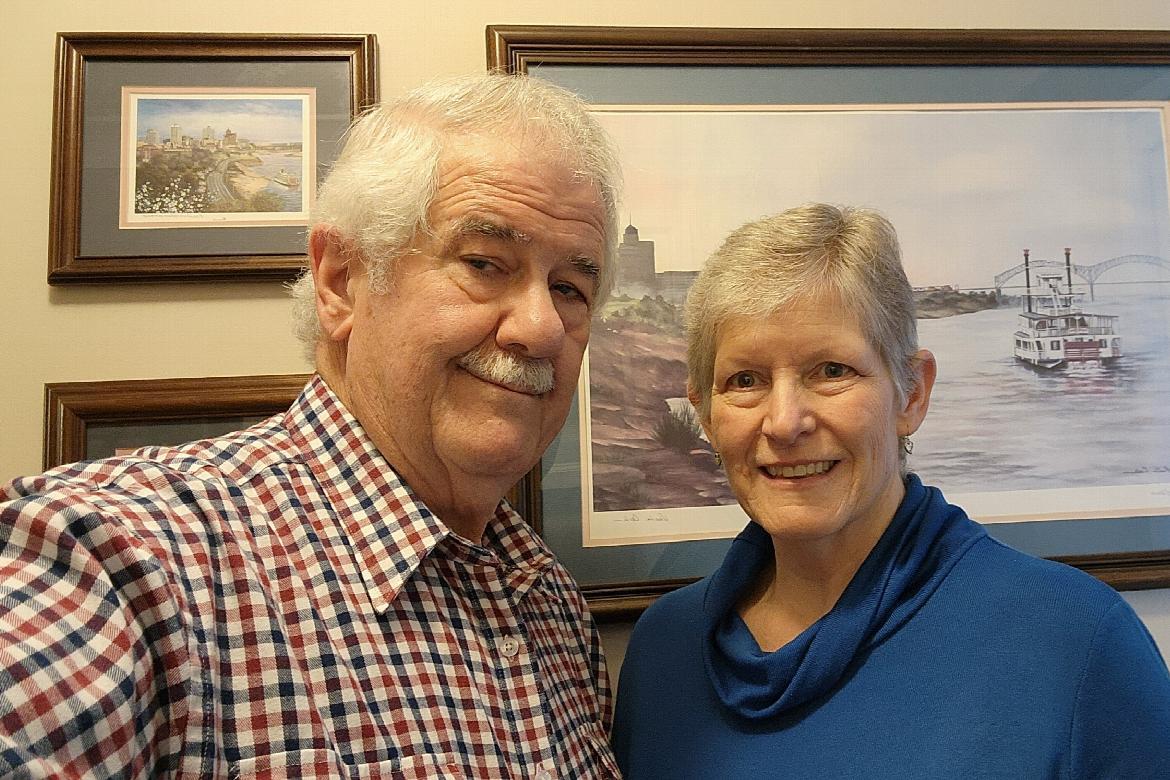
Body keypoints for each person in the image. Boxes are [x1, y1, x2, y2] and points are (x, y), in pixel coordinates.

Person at [0, 74, 623, 778]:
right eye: (484, 263)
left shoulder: (550, 607)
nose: (541, 327)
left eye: (570, 288)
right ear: (341, 281)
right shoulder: (128, 562)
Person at [611, 203, 1170, 778]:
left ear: (912, 394)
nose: (784, 423)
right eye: (745, 380)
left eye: (831, 371)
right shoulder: (664, 652)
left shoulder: (1077, 646)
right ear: (705, 413)